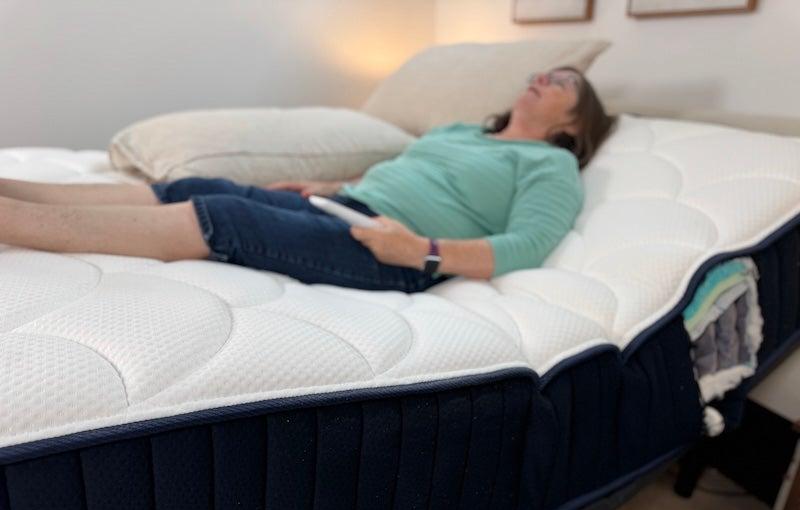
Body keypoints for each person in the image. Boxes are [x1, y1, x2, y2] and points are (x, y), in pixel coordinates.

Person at [0, 67, 615, 292]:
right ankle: (18, 191)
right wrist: (328, 184)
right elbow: (401, 174)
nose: (543, 78)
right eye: (544, 73)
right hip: (346, 206)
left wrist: (421, 252)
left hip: (394, 253)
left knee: (229, 220)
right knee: (205, 188)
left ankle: (15, 221)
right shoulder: (461, 132)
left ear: (573, 124)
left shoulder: (551, 166)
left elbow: (529, 244)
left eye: (563, 82)